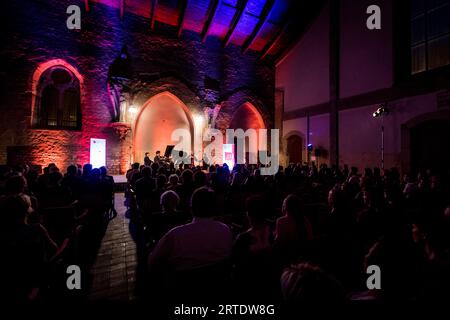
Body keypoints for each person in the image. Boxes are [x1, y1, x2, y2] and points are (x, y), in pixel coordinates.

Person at [148, 187, 232, 272]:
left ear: (191, 208)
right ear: (215, 208)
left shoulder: (175, 235)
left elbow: (152, 262)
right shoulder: (225, 230)